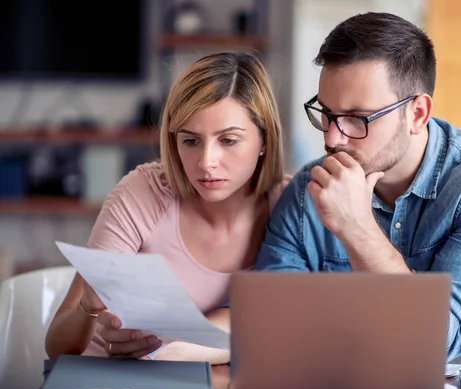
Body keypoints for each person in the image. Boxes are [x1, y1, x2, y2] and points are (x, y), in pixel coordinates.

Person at [253, 12, 461, 360]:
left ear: (417, 114)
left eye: (356, 119)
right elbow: (267, 321)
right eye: (326, 113)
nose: (331, 137)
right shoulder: (307, 191)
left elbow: (432, 343)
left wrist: (356, 228)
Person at [45, 52, 287, 363]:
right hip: (105, 380)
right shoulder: (143, 195)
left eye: (228, 140)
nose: (206, 162)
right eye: (190, 141)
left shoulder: (290, 206)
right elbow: (56, 349)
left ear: (264, 139)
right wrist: (89, 308)